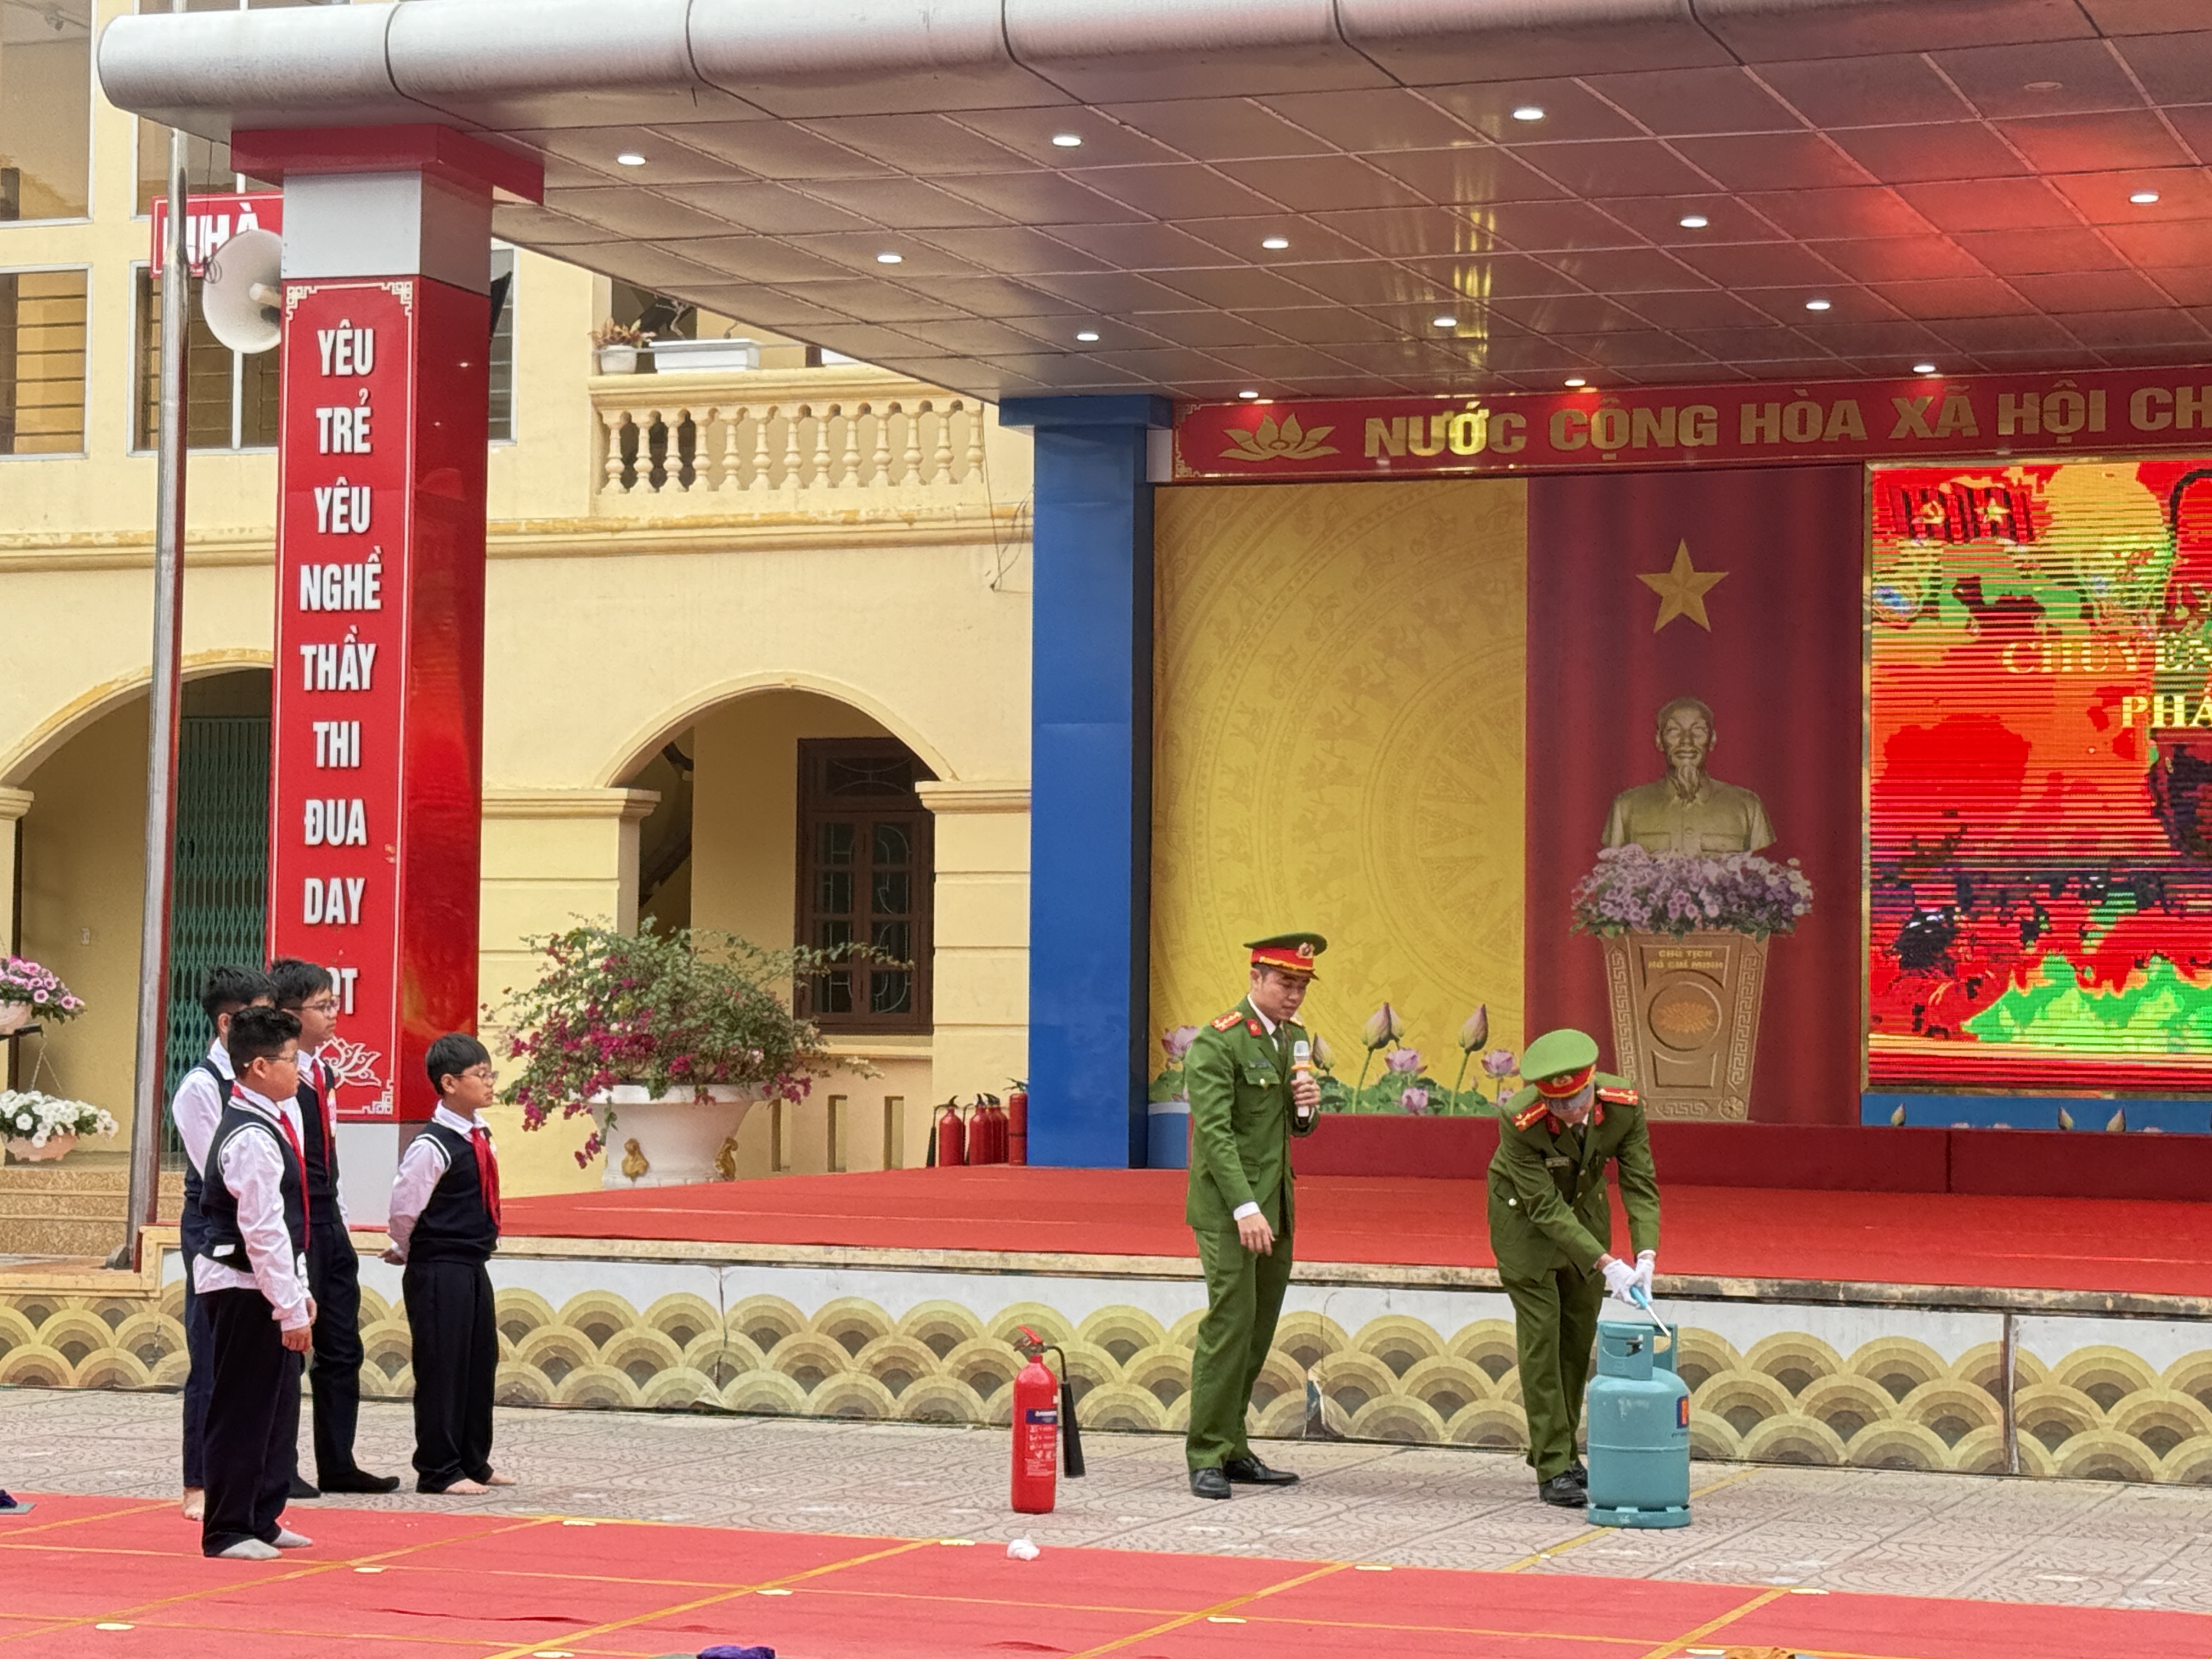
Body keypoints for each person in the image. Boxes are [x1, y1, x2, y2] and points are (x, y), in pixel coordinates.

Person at [1487, 1028, 1662, 1508]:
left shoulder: (1623, 1105)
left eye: (1578, 1100)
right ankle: (1553, 1466)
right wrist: (1607, 1264)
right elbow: (1544, 1207)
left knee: (1577, 1337)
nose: (1569, 1112)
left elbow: (1640, 1183)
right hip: (1525, 1225)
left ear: (1593, 1084)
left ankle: (1562, 1449)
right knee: (1543, 1340)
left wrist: (1646, 1256)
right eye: (1557, 1104)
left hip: (1586, 1213)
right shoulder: (1519, 1120)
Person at [1182, 931, 1325, 1500]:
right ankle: (1206, 1453)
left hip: (1276, 1205)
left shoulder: (1293, 1039)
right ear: (1255, 978)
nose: (1294, 995)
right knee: (1229, 1326)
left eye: (1302, 986)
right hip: (1231, 1209)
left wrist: (1307, 1110)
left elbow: (1289, 1127)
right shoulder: (1219, 1042)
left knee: (1258, 1330)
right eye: (1285, 983)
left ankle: (1233, 1446)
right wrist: (1245, 1208)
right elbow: (1214, 1135)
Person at [268, 958, 400, 1496]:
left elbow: (330, 1149)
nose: (334, 1014)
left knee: (343, 1346)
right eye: (322, 1006)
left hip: (328, 1218)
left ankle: (339, 1461)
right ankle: (280, 1466)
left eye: (333, 1003)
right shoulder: (272, 1078)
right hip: (292, 1217)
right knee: (289, 1348)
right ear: (288, 1014)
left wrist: (340, 1221)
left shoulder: (322, 1073)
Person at [197, 1005, 316, 1560]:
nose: (300, 1070)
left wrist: (299, 1288)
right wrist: (287, 1308)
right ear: (261, 1067)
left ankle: (262, 1515)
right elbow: (262, 1230)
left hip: (266, 1283)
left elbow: (290, 1223)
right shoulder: (250, 1136)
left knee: (276, 1409)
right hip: (241, 1285)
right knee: (242, 1408)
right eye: (292, 1059)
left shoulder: (274, 1121)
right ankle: (227, 1527)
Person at [383, 1033, 514, 1496]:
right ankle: (438, 1468)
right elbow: (405, 1206)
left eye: (490, 1073)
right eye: (480, 1075)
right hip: (440, 1264)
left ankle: (473, 1459)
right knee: (443, 1365)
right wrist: (405, 1248)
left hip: (473, 1262)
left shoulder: (480, 1135)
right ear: (450, 1083)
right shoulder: (432, 1145)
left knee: (479, 1362)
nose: (489, 1082)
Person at [170, 963, 274, 1523]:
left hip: (258, 1219)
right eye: (261, 1017)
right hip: (215, 1224)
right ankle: (199, 1481)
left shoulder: (262, 1079)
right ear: (228, 1023)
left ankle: (253, 1483)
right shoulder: (201, 1087)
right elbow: (221, 1167)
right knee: (211, 1350)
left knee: (256, 1359)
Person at [1601, 695, 1775, 854]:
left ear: (1712, 740)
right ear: (1659, 741)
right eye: (1674, 731)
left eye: (1698, 731)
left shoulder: (1747, 806)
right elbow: (1613, 872)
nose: (1686, 741)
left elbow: (1762, 869)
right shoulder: (1626, 807)